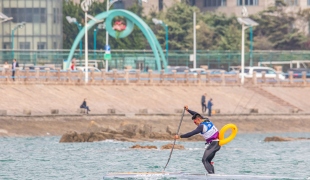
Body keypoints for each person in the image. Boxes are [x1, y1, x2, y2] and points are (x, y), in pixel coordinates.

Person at [174, 106, 220, 174]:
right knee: (208, 161)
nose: (195, 123)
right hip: (217, 144)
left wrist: (180, 136)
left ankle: (212, 176)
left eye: (195, 122)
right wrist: (188, 110)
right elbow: (196, 114)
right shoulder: (207, 119)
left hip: (213, 144)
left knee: (204, 160)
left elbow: (191, 133)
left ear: (198, 119)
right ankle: (213, 175)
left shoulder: (201, 126)